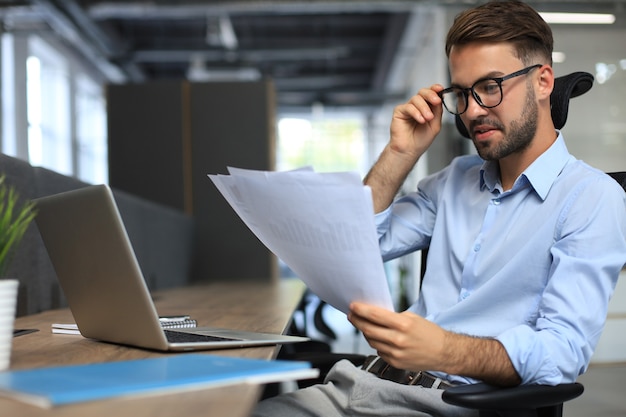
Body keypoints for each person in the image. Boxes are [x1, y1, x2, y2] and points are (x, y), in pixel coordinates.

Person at [253, 1, 626, 416]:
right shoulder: (454, 179)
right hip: (363, 383)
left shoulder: (592, 198)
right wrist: (400, 152)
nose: (472, 111)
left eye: (490, 86)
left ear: (543, 81)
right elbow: (356, 245)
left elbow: (561, 355)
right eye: (462, 93)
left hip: (449, 404)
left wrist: (443, 349)